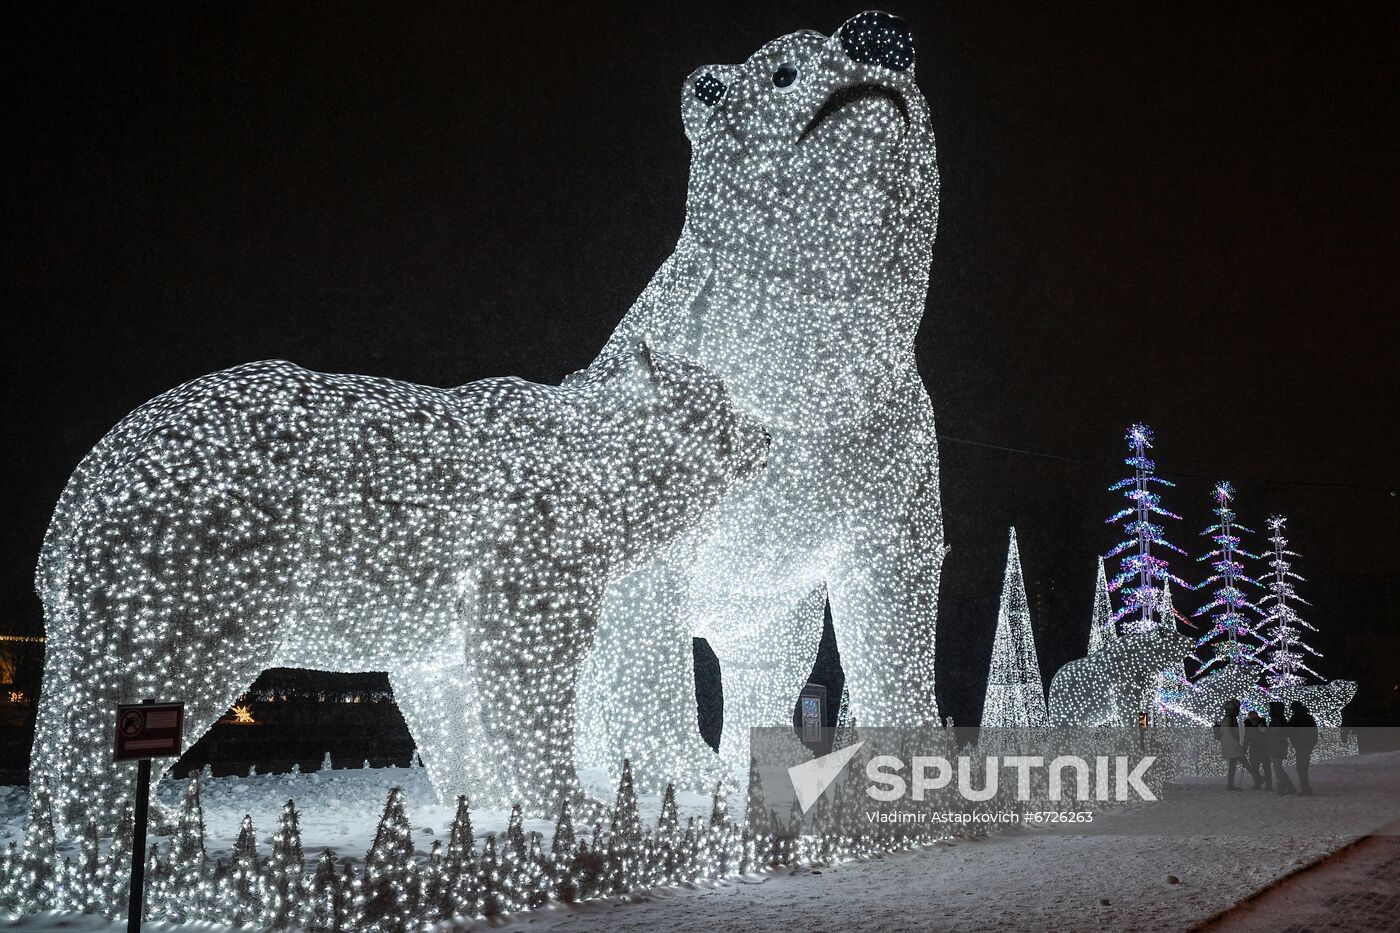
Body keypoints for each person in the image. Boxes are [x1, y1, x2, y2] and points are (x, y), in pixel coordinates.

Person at [1214, 700, 1246, 790]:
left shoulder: (1229, 718)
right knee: (1244, 763)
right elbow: (1228, 733)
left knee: (1233, 766)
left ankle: (1230, 785)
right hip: (1232, 747)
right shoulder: (1229, 719)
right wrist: (1237, 745)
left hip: (1230, 747)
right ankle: (1258, 778)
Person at [1267, 701, 1297, 795]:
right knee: (1278, 766)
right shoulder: (1281, 719)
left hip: (1276, 745)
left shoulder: (1277, 720)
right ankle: (1288, 785)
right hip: (1278, 745)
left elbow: (1275, 732)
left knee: (1277, 767)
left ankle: (1282, 787)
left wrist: (1265, 731)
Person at [1289, 700, 1319, 796]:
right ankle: (1305, 787)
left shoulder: (1297, 718)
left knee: (1301, 767)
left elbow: (1289, 729)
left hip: (1301, 745)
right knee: (1303, 767)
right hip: (1307, 745)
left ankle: (1305, 788)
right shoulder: (1308, 717)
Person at [1243, 710, 1271, 790]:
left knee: (1259, 766)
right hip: (1261, 747)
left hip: (1258, 748)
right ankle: (1264, 784)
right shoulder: (1260, 723)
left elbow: (1246, 738)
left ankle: (1260, 784)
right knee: (1263, 766)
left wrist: (1244, 748)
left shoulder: (1252, 725)